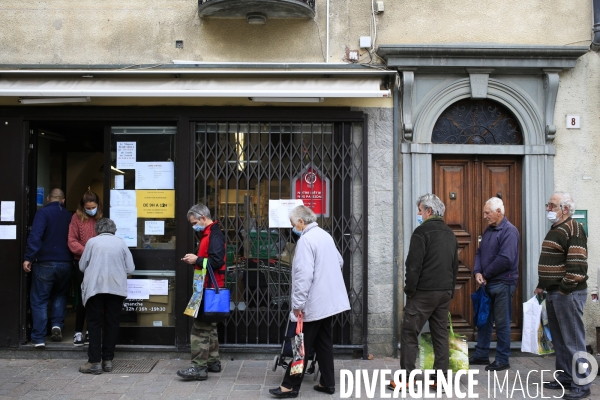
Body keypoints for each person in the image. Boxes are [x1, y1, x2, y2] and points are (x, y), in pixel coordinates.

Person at [269, 205, 350, 398]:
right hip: (328, 302)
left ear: (300, 222)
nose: (293, 228)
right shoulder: (325, 235)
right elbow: (339, 261)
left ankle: (290, 385)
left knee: (300, 344)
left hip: (313, 303)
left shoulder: (306, 240)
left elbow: (303, 275)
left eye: (292, 224)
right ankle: (327, 383)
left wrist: (297, 305)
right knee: (323, 342)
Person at [388, 194, 458, 392]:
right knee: (440, 335)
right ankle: (440, 380)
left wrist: (410, 291)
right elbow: (454, 266)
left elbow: (413, 266)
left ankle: (407, 379)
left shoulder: (421, 232)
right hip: (444, 292)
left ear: (428, 211)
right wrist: (449, 291)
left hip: (424, 292)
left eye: (420, 210)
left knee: (410, 333)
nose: (418, 213)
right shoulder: (450, 233)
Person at [534, 192, 591, 400]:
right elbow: (554, 261)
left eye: (552, 205)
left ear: (565, 209)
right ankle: (566, 377)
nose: (548, 209)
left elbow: (576, 268)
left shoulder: (574, 229)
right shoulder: (557, 228)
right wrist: (542, 285)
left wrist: (563, 289)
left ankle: (582, 383)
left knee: (573, 339)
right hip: (555, 292)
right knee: (560, 339)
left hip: (568, 293)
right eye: (548, 204)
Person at [78, 218, 135, 374]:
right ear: (114, 230)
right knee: (112, 323)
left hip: (95, 288)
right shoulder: (121, 243)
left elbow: (82, 266)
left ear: (98, 230)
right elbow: (130, 268)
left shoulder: (92, 242)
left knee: (94, 324)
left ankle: (94, 362)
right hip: (116, 289)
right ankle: (108, 360)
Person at [469, 197, 520, 371]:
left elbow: (505, 260)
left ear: (498, 212)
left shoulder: (510, 231)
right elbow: (479, 252)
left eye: (487, 212)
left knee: (502, 322)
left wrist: (485, 273)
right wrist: (477, 272)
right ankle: (481, 354)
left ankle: (502, 359)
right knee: (484, 320)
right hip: (487, 284)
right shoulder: (489, 230)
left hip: (503, 284)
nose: (484, 216)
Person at [177, 204, 226, 381]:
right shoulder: (208, 233)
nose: (193, 226)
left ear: (203, 218)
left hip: (208, 287)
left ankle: (198, 367)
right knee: (210, 326)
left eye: (195, 222)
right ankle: (213, 361)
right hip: (206, 285)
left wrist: (196, 259)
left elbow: (217, 261)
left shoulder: (213, 235)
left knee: (199, 328)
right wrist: (196, 260)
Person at [23, 188, 73, 348]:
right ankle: (57, 325)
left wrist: (29, 257)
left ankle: (38, 337)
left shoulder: (43, 214)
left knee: (39, 300)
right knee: (60, 295)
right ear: (63, 200)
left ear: (48, 199)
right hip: (66, 262)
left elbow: (35, 236)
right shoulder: (69, 216)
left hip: (45, 262)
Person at [68, 190, 103, 346]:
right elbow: (71, 241)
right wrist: (87, 251)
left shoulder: (101, 218)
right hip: (81, 262)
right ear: (83, 207)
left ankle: (91, 330)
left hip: (99, 262)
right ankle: (77, 331)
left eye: (93, 207)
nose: (91, 210)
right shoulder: (76, 218)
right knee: (83, 297)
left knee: (96, 297)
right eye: (88, 208)